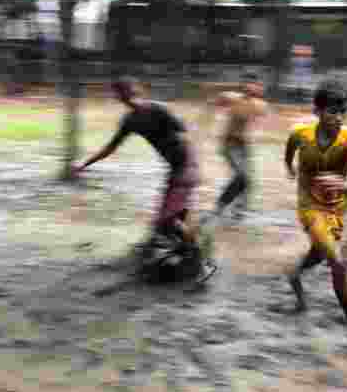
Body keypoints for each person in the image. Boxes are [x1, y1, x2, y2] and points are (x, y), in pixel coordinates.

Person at [72, 77, 215, 282]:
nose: (127, 96)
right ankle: (181, 259)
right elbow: (110, 148)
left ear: (135, 91)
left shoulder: (157, 109)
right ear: (121, 96)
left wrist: (189, 167)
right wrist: (84, 164)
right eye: (123, 93)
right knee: (167, 223)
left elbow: (185, 135)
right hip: (176, 170)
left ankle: (202, 264)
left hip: (184, 169)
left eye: (127, 91)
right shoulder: (130, 120)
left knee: (167, 220)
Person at [284, 79, 347, 355]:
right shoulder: (300, 134)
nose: (338, 117)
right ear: (318, 111)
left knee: (321, 253)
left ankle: (296, 276)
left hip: (335, 209)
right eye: (332, 111)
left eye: (343, 111)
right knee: (337, 261)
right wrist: (290, 168)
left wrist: (343, 184)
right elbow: (288, 154)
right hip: (309, 207)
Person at [207, 72, 269, 225]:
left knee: (247, 180)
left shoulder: (260, 105)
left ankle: (239, 211)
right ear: (244, 85)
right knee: (242, 176)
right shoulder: (232, 97)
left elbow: (263, 121)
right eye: (249, 83)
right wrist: (209, 112)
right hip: (229, 144)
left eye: (255, 84)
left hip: (244, 146)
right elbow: (214, 101)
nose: (252, 86)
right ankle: (220, 207)